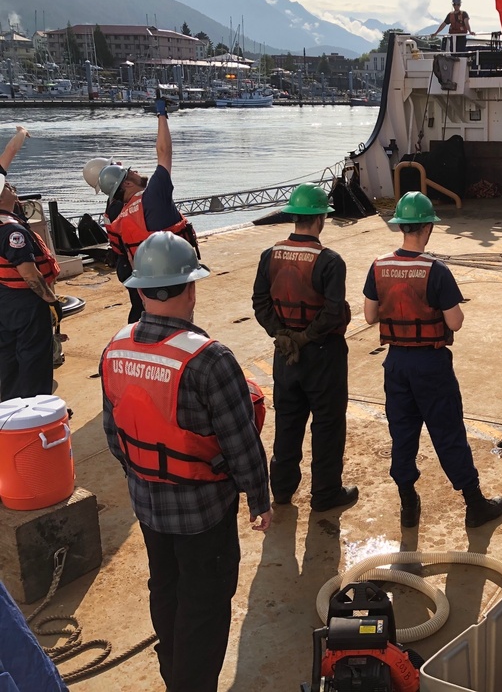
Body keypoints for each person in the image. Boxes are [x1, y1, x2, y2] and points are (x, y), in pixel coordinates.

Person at [101, 231, 271, 692]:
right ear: (192, 288)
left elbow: (113, 434)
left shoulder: (115, 348)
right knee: (206, 604)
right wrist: (259, 500)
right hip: (204, 514)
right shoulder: (209, 358)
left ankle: (173, 670)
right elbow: (241, 444)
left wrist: (142, 476)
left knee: (167, 588)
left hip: (149, 506)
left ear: (138, 290)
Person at [362, 192, 502, 529]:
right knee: (448, 433)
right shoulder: (435, 270)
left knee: (403, 434)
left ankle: (408, 504)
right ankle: (474, 505)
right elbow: (454, 322)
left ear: (400, 225)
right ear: (427, 228)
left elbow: (370, 316)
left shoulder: (379, 265)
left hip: (396, 364)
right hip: (431, 365)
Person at [251, 184, 358, 512]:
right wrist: (304, 337)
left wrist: (282, 335)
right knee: (327, 424)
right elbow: (332, 312)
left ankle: (281, 490)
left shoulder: (270, 255)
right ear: (321, 219)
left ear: (294, 216)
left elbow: (260, 302)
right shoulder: (329, 261)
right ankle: (325, 494)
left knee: (288, 421)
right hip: (322, 355)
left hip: (285, 357)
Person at [99, 97, 198, 323]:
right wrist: (162, 115)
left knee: (144, 317)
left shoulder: (120, 216)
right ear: (126, 184)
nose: (136, 171)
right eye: (131, 171)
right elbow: (164, 152)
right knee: (179, 323)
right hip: (173, 275)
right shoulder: (153, 197)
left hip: (143, 279)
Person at [0, 126, 62, 402]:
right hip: (24, 302)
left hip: (4, 298)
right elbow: (29, 274)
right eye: (9, 187)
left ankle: (10, 407)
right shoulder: (11, 230)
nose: (14, 188)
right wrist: (51, 300)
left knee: (8, 355)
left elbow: (7, 155)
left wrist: (21, 135)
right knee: (34, 355)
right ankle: (38, 409)